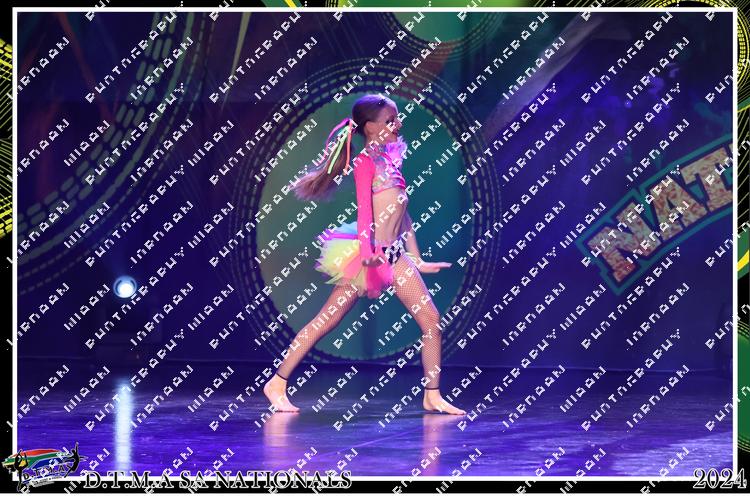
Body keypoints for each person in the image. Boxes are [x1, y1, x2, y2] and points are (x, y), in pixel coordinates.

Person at [263, 94, 465, 415]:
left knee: (431, 320)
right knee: (326, 321)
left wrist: (417, 257)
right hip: (367, 257)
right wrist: (369, 253)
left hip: (395, 256)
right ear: (370, 127)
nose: (397, 124)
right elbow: (364, 215)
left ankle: (432, 394)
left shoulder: (392, 159)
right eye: (389, 121)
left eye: (396, 119)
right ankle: (277, 383)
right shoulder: (365, 163)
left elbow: (402, 213)